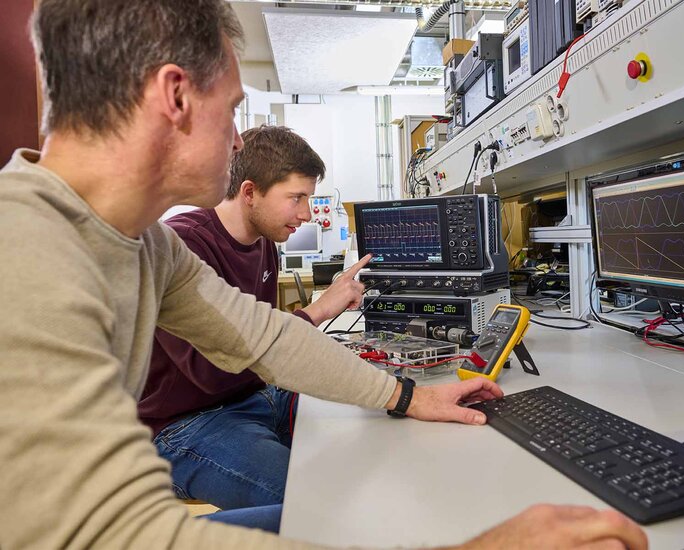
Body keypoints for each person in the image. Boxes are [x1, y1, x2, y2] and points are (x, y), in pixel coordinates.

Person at [0, 1, 648, 549]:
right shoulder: (25, 252)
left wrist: (410, 396)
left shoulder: (138, 246)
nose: (235, 141)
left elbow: (264, 340)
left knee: (346, 517)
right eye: (231, 111)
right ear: (175, 96)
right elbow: (121, 535)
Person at [139, 125, 370, 509]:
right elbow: (213, 370)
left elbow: (261, 343)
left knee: (368, 435)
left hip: (254, 397)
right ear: (249, 192)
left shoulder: (265, 243)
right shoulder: (183, 246)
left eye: (308, 199)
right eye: (296, 198)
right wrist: (315, 312)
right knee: (314, 505)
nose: (307, 214)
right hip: (184, 426)